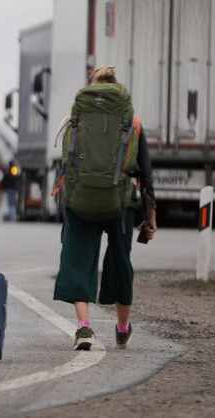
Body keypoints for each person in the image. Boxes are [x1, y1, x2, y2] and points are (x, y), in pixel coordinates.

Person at [52, 66, 157, 351]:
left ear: (92, 86)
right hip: (119, 201)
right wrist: (150, 213)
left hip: (81, 199)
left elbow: (66, 160)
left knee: (78, 259)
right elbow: (145, 171)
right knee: (120, 261)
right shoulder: (132, 121)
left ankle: (84, 328)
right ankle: (122, 328)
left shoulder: (75, 116)